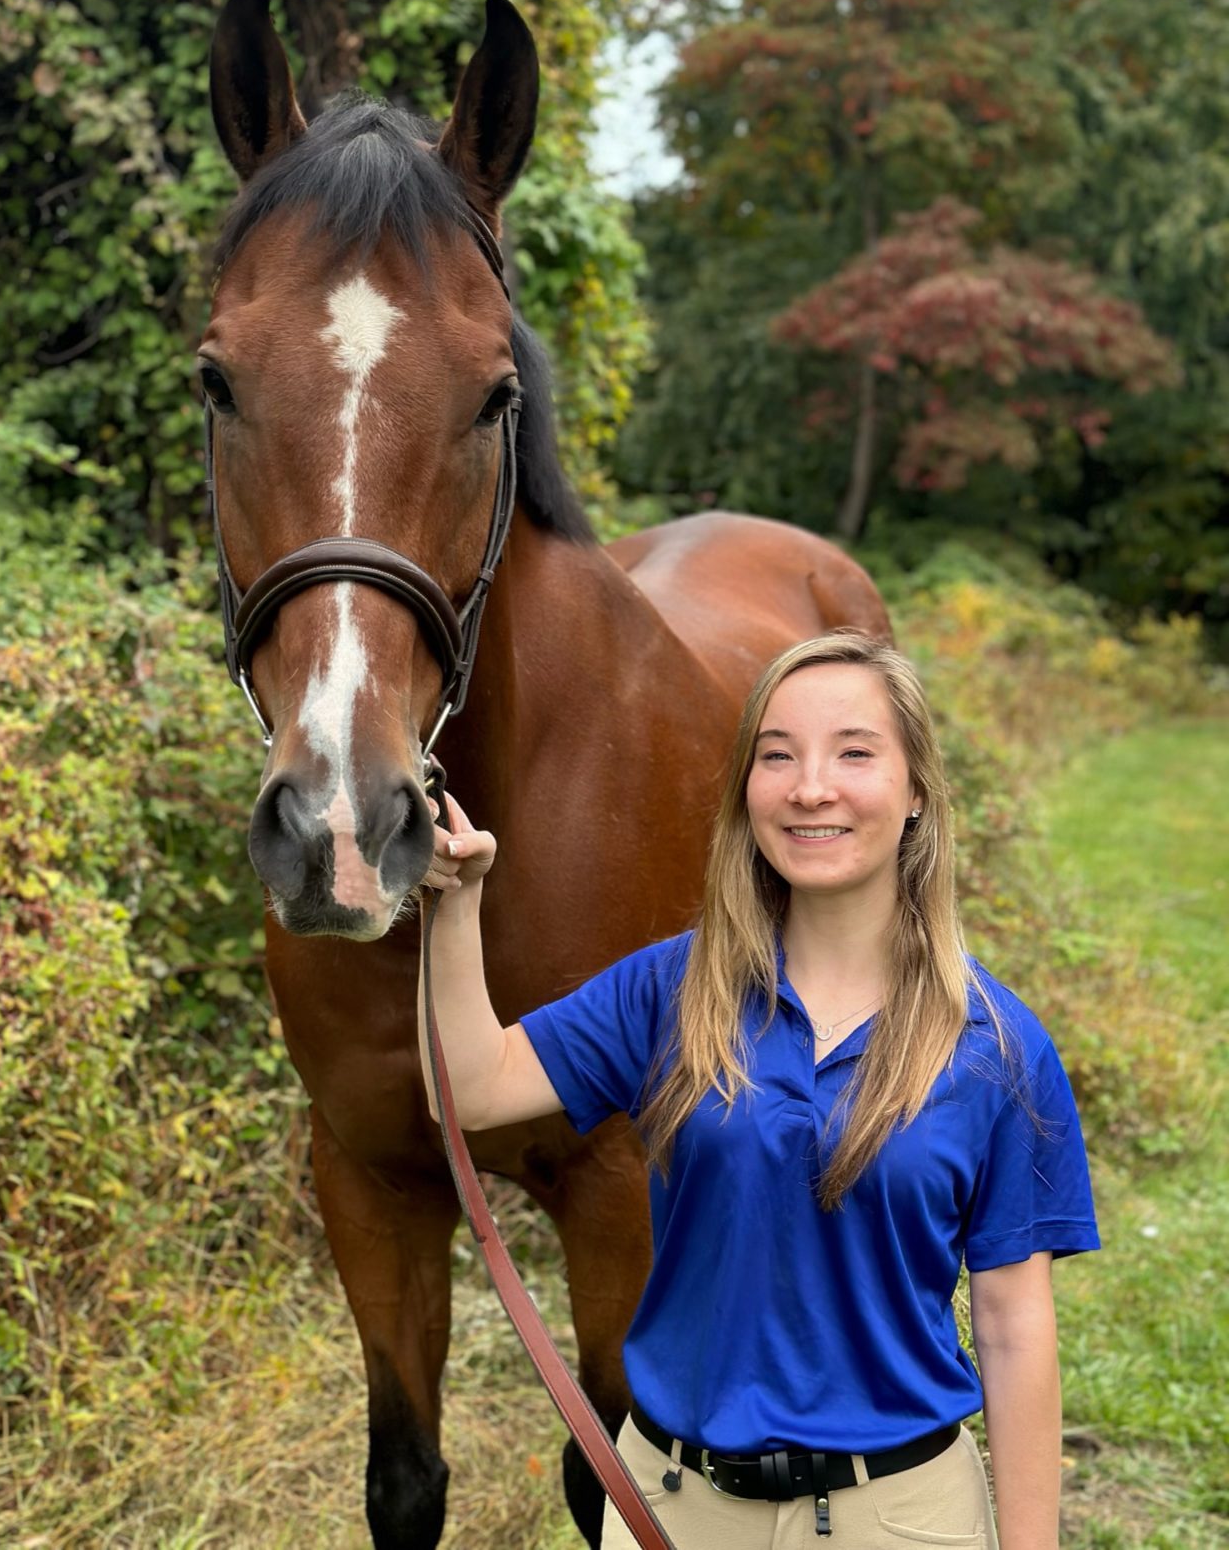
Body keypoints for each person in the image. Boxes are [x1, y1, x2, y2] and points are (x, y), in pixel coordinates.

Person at [419, 632, 1099, 1549]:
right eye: (777, 755)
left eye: (854, 753)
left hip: (900, 1517)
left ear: (917, 795)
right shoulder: (672, 991)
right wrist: (454, 909)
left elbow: (1015, 1328)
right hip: (674, 1503)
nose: (810, 787)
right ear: (748, 791)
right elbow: (469, 1090)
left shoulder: (998, 1048)